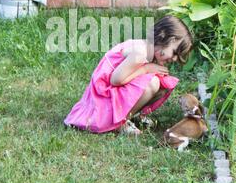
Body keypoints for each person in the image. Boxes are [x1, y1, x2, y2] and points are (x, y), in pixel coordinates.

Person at [64, 15, 194, 136]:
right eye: (174, 52)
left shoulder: (149, 50)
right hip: (104, 95)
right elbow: (115, 80)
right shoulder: (140, 52)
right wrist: (146, 69)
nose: (175, 59)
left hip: (112, 90)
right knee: (152, 83)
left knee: (163, 82)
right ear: (165, 38)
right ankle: (120, 123)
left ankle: (134, 116)